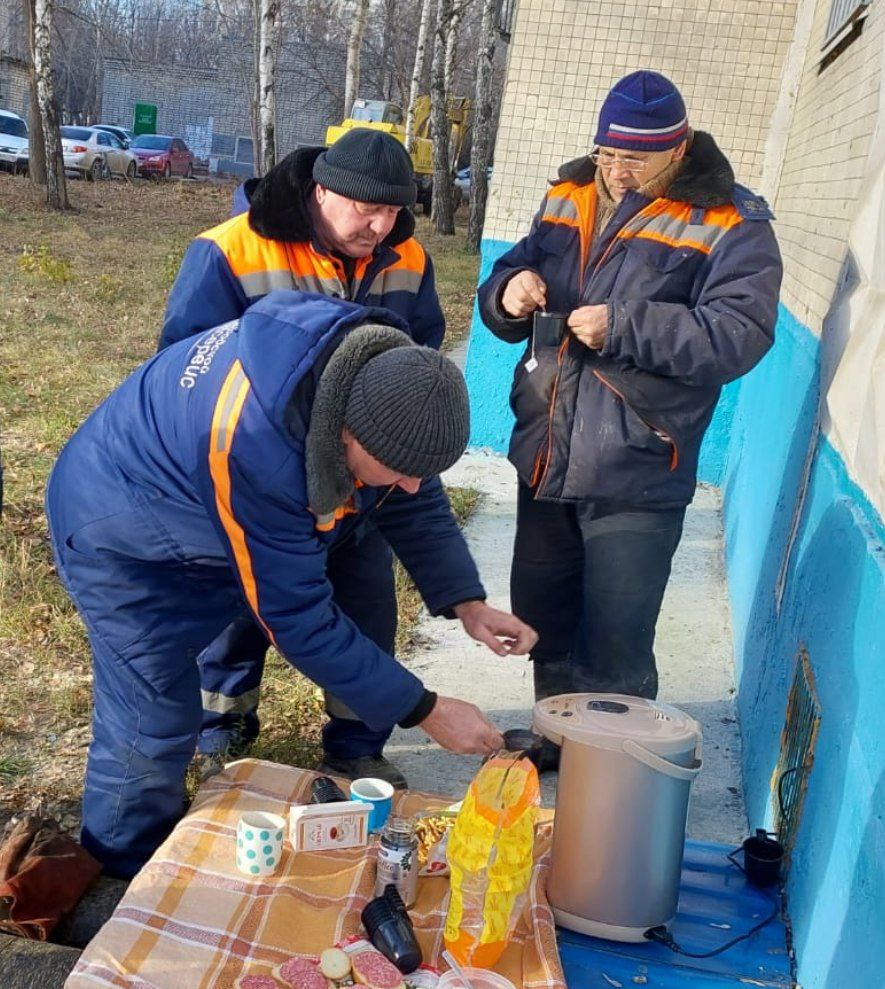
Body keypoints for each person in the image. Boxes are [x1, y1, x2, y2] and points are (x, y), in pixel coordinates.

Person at [46, 291, 536, 879]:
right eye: (398, 471)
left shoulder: (383, 381)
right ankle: (116, 878)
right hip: (122, 533)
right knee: (152, 719)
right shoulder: (254, 443)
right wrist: (425, 709)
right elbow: (298, 618)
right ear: (346, 435)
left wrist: (467, 602)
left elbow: (413, 492)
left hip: (212, 512)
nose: (410, 486)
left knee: (346, 536)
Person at [478, 69, 782, 728]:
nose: (615, 172)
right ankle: (557, 738)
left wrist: (624, 325)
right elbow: (513, 276)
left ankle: (608, 776)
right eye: (606, 155)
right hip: (545, 451)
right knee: (543, 617)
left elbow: (739, 334)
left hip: (637, 465)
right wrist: (507, 293)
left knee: (615, 639)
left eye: (634, 160)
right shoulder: (567, 195)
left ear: (679, 147)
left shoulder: (730, 221)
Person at [159, 129, 445, 787]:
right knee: (238, 615)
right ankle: (220, 729)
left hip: (358, 489)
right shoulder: (229, 250)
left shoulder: (408, 260)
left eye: (394, 211)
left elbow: (419, 351)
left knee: (368, 613)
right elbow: (185, 365)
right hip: (258, 481)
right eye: (362, 209)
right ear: (319, 190)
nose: (380, 225)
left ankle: (357, 745)